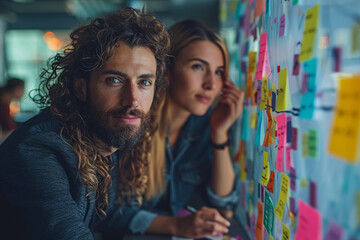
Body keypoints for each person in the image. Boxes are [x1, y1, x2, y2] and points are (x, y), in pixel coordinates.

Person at [0, 7, 170, 240]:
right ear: (81, 87)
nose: (132, 100)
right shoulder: (39, 150)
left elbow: (105, 214)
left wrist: (177, 226)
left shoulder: (101, 139)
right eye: (114, 80)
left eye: (144, 82)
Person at [96, 19, 245, 239]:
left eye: (219, 72)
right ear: (166, 70)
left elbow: (223, 204)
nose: (211, 84)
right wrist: (176, 225)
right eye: (198, 67)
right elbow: (104, 213)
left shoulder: (204, 127)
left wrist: (219, 134)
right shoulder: (130, 122)